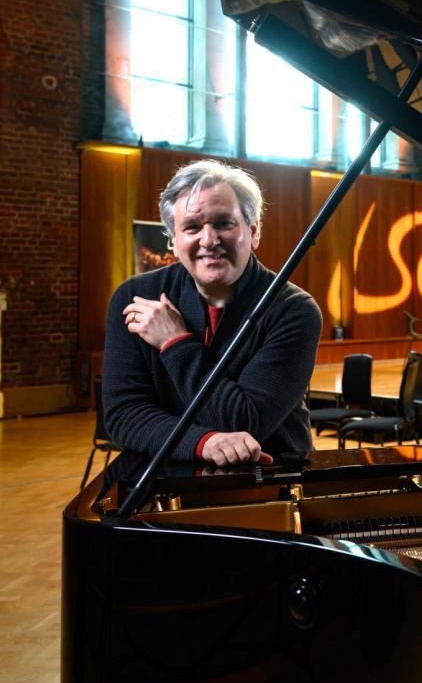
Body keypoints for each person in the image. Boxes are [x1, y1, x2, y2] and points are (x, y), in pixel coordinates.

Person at [102, 160, 321, 467]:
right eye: (192, 227)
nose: (209, 240)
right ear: (174, 242)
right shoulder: (134, 297)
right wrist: (205, 442)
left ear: (253, 231)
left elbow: (245, 420)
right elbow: (124, 414)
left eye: (223, 223)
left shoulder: (293, 310)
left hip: (269, 479)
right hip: (162, 475)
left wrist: (174, 342)